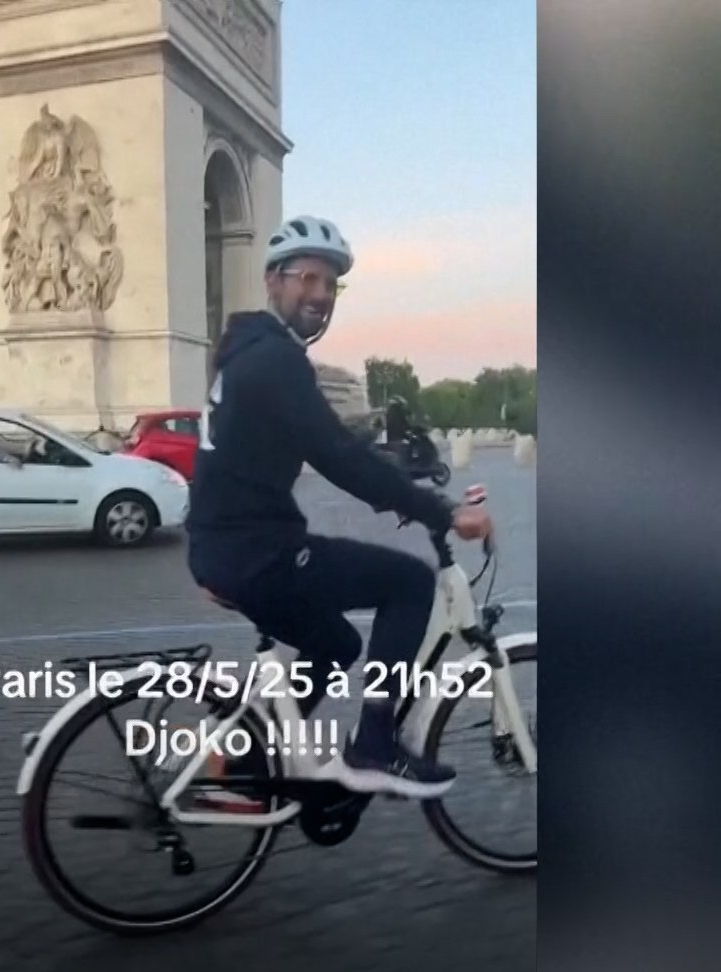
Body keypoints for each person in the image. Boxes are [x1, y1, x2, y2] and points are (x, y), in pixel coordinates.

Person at [185, 214, 493, 799]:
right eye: (309, 279)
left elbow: (309, 447)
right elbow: (337, 456)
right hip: (258, 553)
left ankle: (247, 764)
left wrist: (207, 551)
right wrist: (440, 511)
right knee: (407, 583)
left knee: (338, 644)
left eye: (331, 286)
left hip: (227, 547)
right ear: (274, 280)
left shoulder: (246, 352)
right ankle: (374, 745)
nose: (321, 296)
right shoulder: (275, 360)